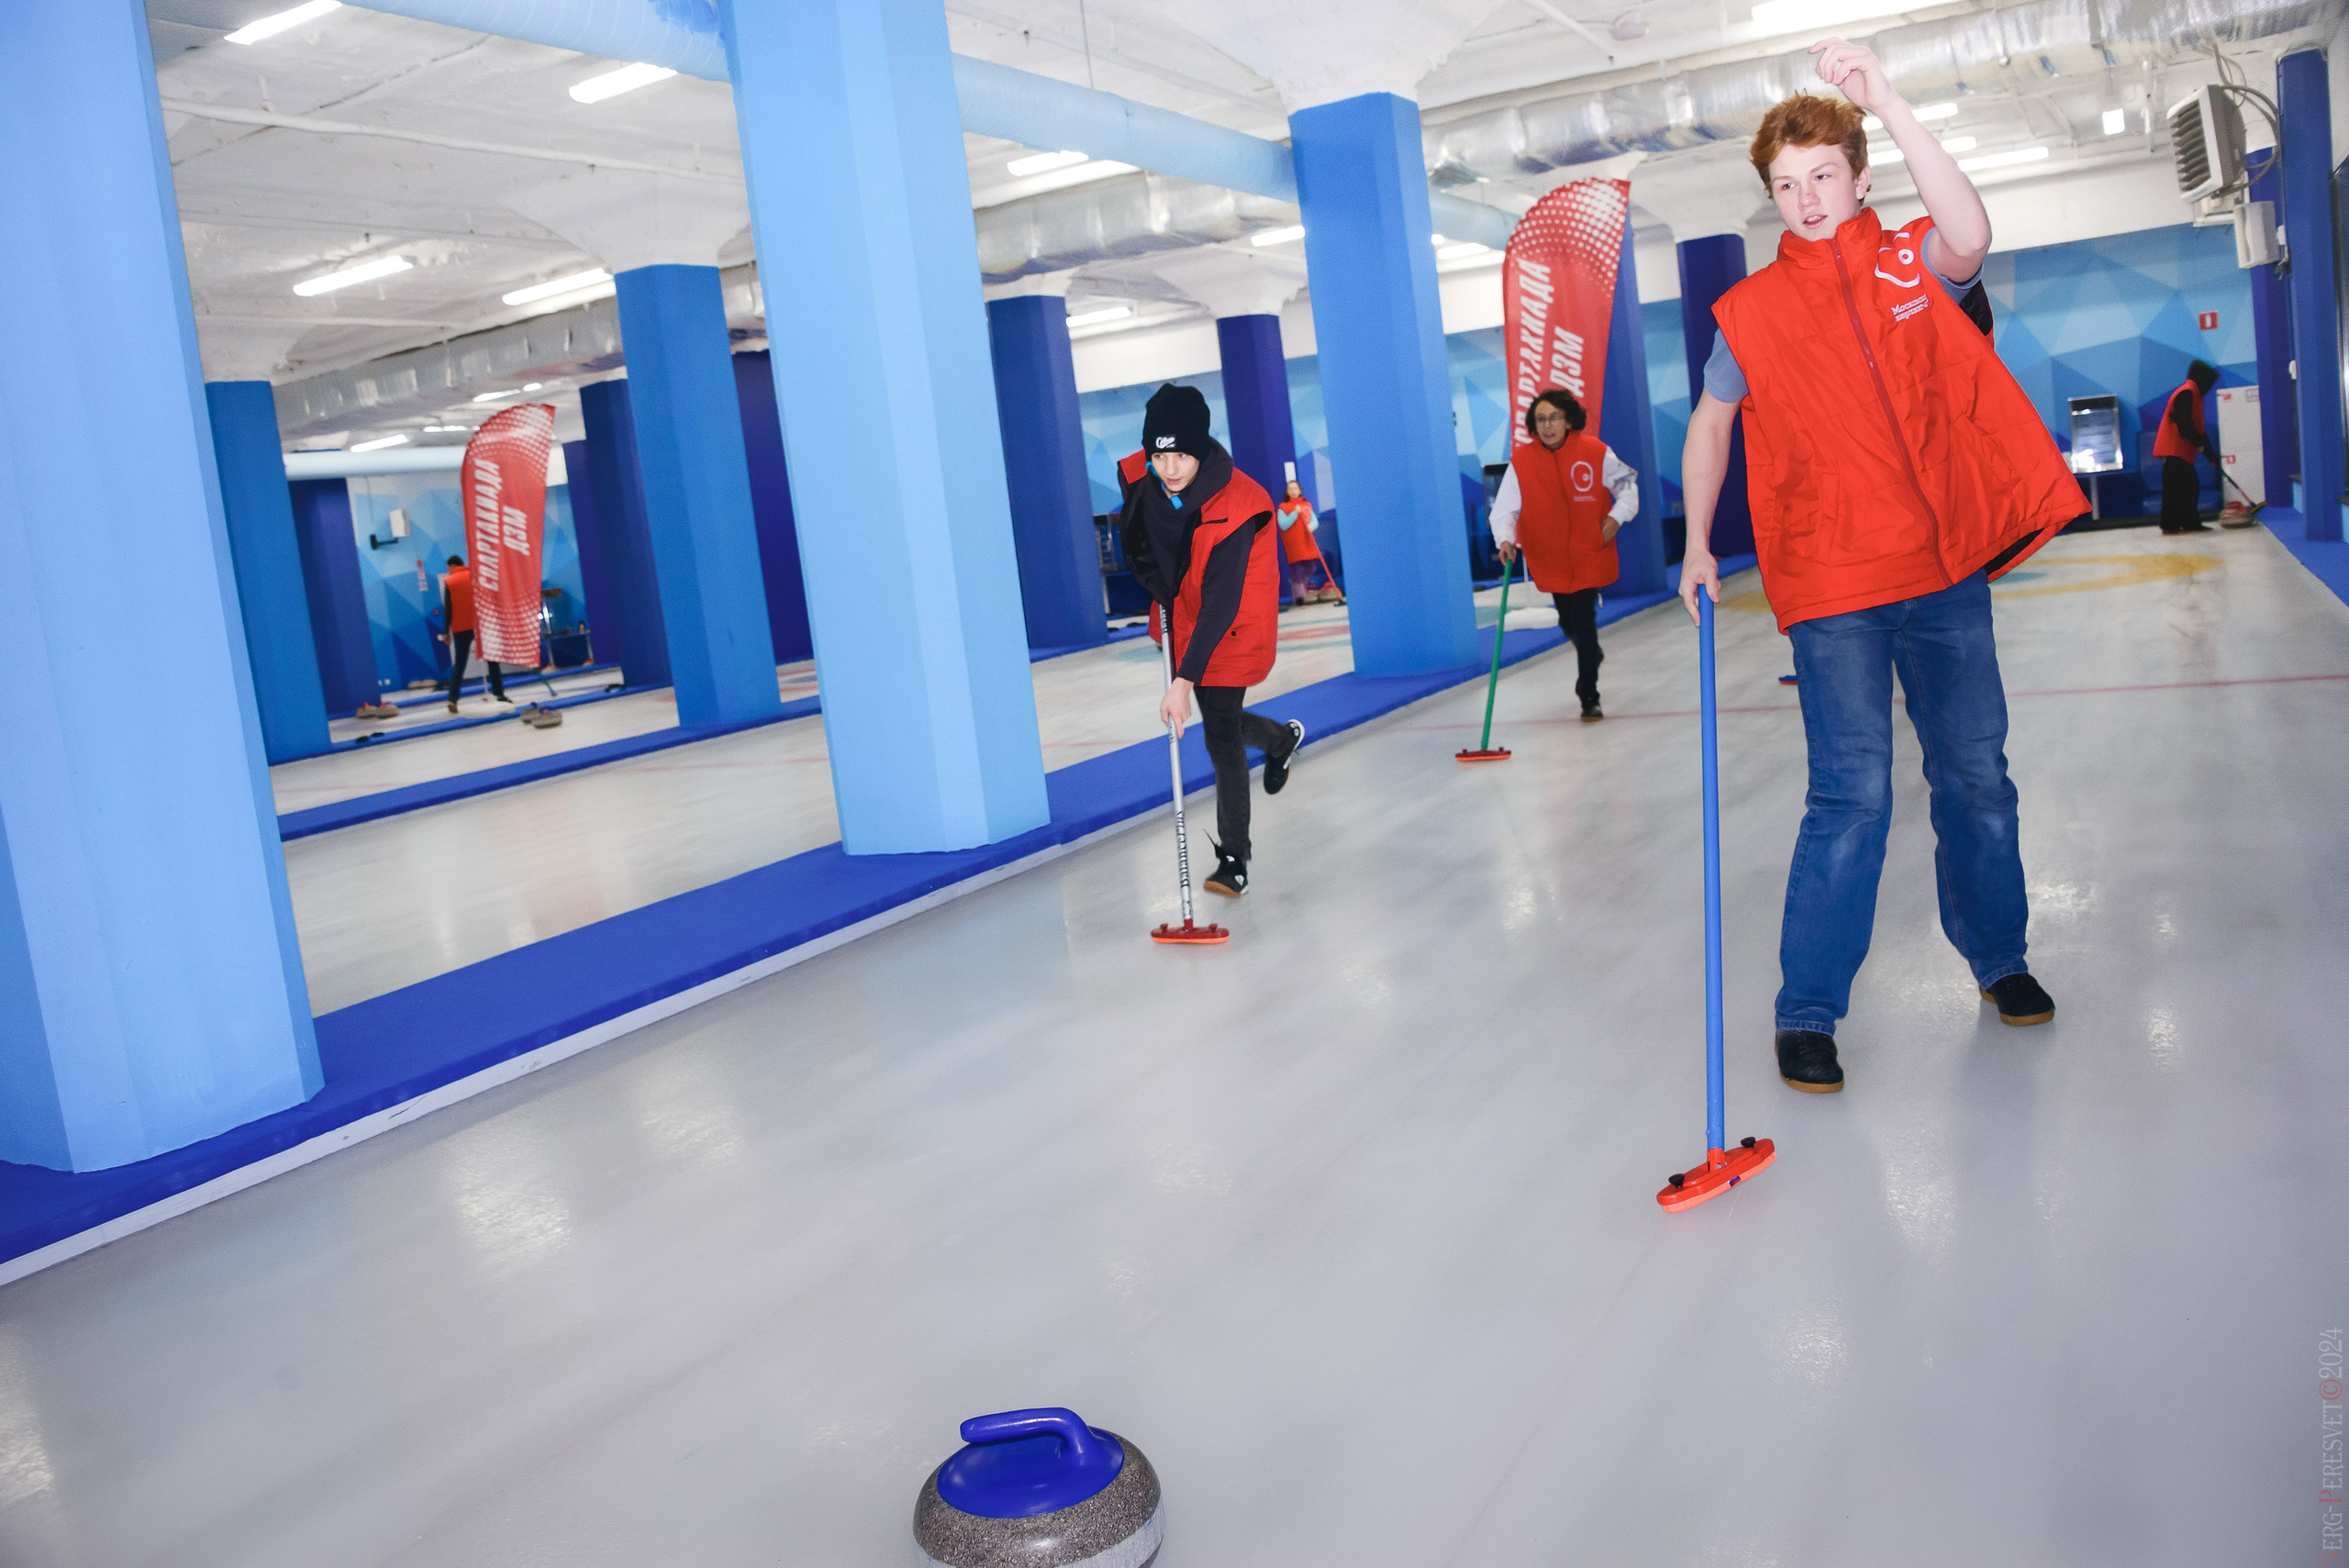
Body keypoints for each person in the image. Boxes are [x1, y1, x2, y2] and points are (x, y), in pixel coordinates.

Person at [1676, 41, 2086, 1095]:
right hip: (1832, 585)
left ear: (1858, 178)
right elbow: (1711, 427)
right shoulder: (1750, 313)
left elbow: (1971, 232)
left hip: (1943, 570)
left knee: (1975, 779)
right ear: (1769, 199)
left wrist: (1887, 100)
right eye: (1784, 185)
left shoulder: (1913, 263)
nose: (1807, 199)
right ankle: (1805, 1013)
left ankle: (1999, 957)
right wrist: (1695, 539)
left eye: (1823, 176)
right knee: (1850, 796)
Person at [1119, 383, 1303, 898]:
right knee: (1222, 722)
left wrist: (1181, 681)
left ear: (1200, 447)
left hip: (1234, 623)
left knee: (1219, 736)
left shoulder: (1240, 503)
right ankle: (1279, 739)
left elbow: (1221, 602)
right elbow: (1138, 543)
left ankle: (1233, 859)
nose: (1170, 467)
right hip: (1185, 616)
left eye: (1181, 454)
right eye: (1160, 454)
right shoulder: (1146, 481)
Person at [1489, 388, 1640, 721]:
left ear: (1569, 419)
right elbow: (1505, 509)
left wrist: (1617, 517)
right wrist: (1504, 539)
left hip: (1588, 552)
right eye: (1541, 419)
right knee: (1566, 620)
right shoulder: (1522, 462)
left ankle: (1589, 695)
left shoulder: (1595, 451)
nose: (1548, 425)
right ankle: (1593, 654)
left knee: (1583, 622)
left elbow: (1628, 485)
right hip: (1551, 556)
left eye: (1554, 417)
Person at [2154, 359, 2221, 534]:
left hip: (2180, 451)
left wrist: (2211, 456)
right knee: (2181, 488)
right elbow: (2184, 424)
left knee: (2184, 488)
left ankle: (2179, 523)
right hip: (2175, 449)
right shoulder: (2187, 393)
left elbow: (2199, 429)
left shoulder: (2193, 394)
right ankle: (2176, 524)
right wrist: (2198, 444)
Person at [440, 554, 507, 714]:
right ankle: (499, 694)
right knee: (491, 659)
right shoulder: (476, 576)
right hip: (480, 624)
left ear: (451, 566)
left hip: (460, 628)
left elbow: (448, 610)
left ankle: (452, 699)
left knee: (460, 664)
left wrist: (446, 632)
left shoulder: (449, 582)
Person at [1275, 479, 1341, 606]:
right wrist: (1294, 513)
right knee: (1296, 569)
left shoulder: (1307, 505)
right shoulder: (1283, 508)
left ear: (1300, 490)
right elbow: (1283, 525)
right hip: (1293, 543)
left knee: (1311, 567)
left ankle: (1297, 584)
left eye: (1295, 488)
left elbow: (1313, 520)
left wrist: (1312, 526)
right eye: (1291, 489)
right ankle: (1299, 596)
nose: (1293, 491)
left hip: (1307, 541)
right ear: (1287, 492)